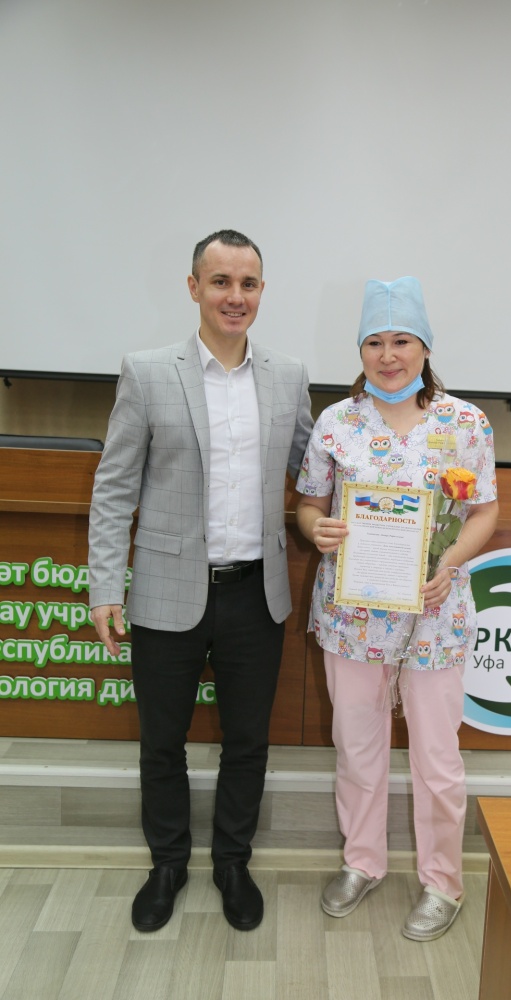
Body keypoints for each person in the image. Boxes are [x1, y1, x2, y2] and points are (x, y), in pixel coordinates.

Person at [88, 228, 312, 933]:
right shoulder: (148, 371)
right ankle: (167, 865)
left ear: (261, 291)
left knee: (248, 742)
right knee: (162, 742)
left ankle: (232, 864)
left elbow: (317, 471)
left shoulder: (289, 375)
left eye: (247, 283)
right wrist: (105, 587)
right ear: (194, 288)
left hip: (256, 594)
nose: (234, 296)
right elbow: (114, 487)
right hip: (165, 590)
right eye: (220, 282)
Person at [295, 276, 498, 941]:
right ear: (360, 350)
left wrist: (449, 562)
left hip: (434, 615)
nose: (388, 355)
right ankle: (362, 861)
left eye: (402, 341)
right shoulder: (336, 423)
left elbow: (484, 509)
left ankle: (442, 882)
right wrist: (316, 529)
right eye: (374, 342)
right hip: (354, 617)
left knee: (437, 757)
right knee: (357, 748)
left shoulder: (464, 423)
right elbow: (309, 504)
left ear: (425, 347)